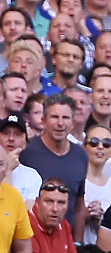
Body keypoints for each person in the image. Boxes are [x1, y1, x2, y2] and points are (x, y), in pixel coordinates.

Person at [19, 93, 88, 235]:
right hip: (31, 238)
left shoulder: (81, 155)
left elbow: (79, 207)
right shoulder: (26, 151)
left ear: (73, 122)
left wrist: (78, 244)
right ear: (43, 121)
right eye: (55, 117)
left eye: (66, 118)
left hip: (65, 242)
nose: (60, 123)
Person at [0, 114, 41, 210]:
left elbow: (26, 213)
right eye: (6, 133)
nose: (11, 139)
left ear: (25, 143)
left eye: (17, 134)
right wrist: (7, 169)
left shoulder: (32, 176)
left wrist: (8, 170)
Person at [82, 125, 111, 245]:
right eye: (94, 142)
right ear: (84, 146)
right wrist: (84, 215)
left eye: (106, 143)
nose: (100, 147)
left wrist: (102, 221)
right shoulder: (76, 180)